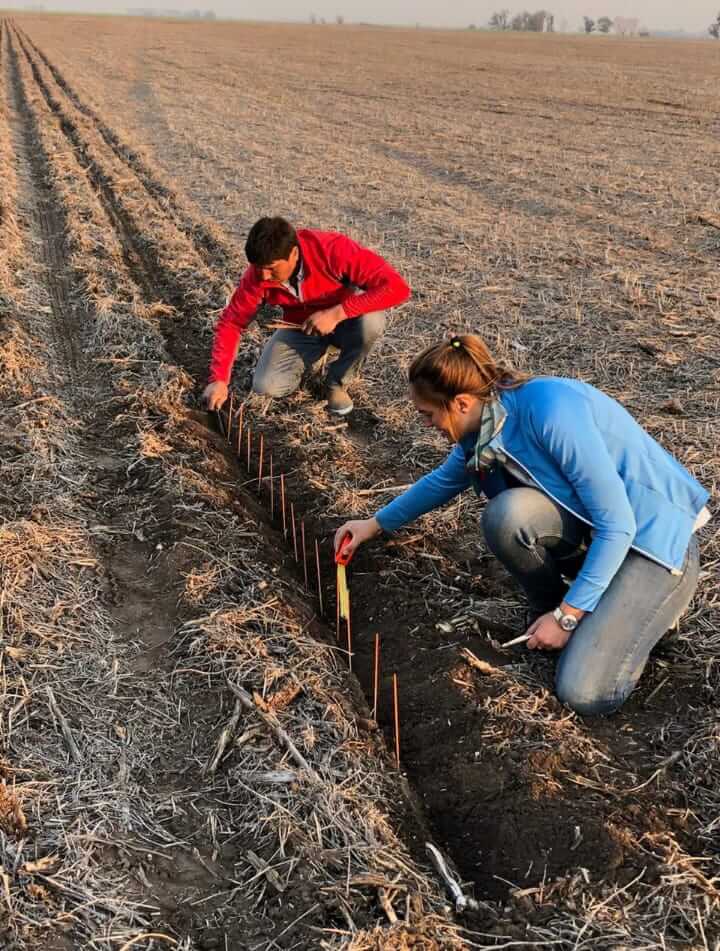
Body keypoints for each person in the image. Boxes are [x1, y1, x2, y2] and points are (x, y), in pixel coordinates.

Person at [335, 334, 710, 716]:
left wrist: (568, 617)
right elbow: (444, 481)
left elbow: (619, 526)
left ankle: (643, 617)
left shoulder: (550, 410)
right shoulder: (483, 429)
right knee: (507, 516)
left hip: (653, 544)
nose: (426, 423)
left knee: (584, 694)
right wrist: (374, 524)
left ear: (461, 402)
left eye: (427, 414)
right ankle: (561, 611)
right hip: (597, 534)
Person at [203, 217, 410, 416]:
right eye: (258, 268)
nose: (264, 276)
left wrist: (337, 313)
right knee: (266, 387)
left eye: (271, 268)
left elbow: (397, 287)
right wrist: (219, 379)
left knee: (371, 321)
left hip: (345, 323)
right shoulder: (256, 277)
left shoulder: (333, 250)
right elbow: (231, 323)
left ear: (294, 253)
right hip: (300, 328)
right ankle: (312, 356)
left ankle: (337, 384)